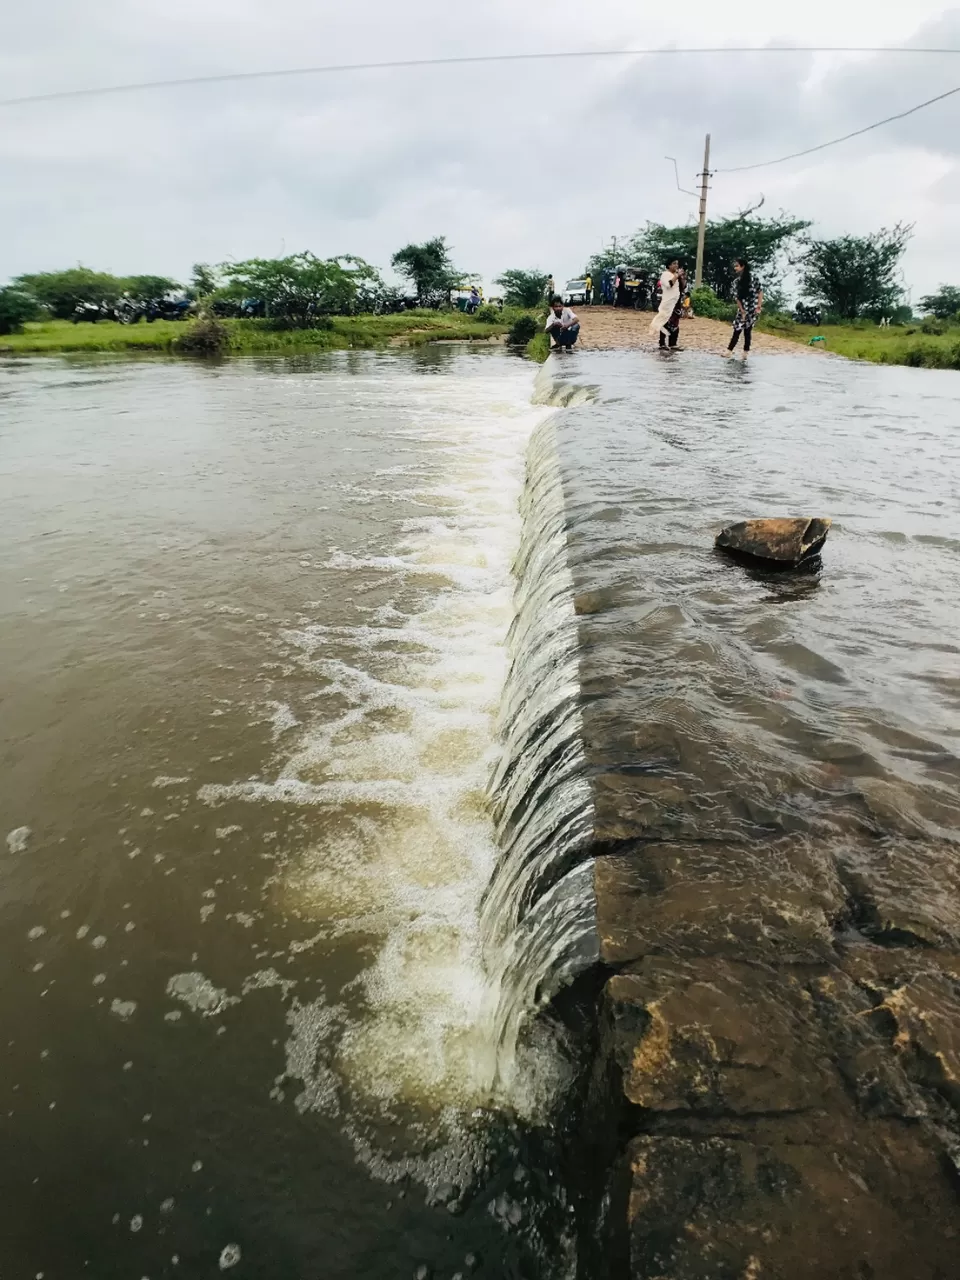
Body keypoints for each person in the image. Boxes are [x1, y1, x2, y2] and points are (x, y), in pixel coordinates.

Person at [727, 258, 763, 357]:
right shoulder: (736, 282)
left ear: (743, 266)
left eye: (737, 266)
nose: (735, 268)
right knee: (737, 329)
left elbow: (760, 291)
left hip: (752, 308)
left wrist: (759, 305)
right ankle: (729, 351)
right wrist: (742, 311)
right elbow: (737, 298)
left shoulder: (753, 279)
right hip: (742, 308)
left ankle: (745, 353)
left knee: (748, 331)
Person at [649, 259, 684, 347]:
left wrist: (681, 277)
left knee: (675, 322)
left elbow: (682, 287)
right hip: (668, 302)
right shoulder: (665, 275)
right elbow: (669, 285)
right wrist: (677, 275)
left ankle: (673, 343)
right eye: (674, 264)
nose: (676, 265)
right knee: (665, 321)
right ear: (669, 265)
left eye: (677, 264)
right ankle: (662, 343)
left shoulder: (676, 275)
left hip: (676, 302)